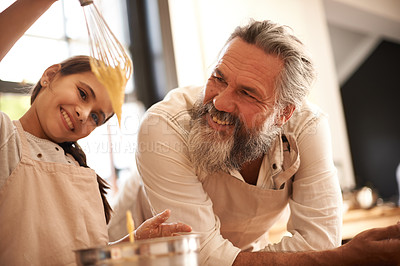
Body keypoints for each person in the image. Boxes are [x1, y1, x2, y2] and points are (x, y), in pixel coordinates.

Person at [133, 19, 400, 265]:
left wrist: (236, 260)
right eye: (218, 78)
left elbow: (320, 242)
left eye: (247, 93)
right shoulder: (164, 126)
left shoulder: (307, 126)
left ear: (284, 113)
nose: (219, 102)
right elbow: (202, 257)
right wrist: (339, 258)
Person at [0, 0, 191, 265]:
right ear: (50, 75)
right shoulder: (7, 140)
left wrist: (128, 245)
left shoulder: (78, 169)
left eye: (96, 118)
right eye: (82, 93)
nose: (83, 113)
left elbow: (76, 257)